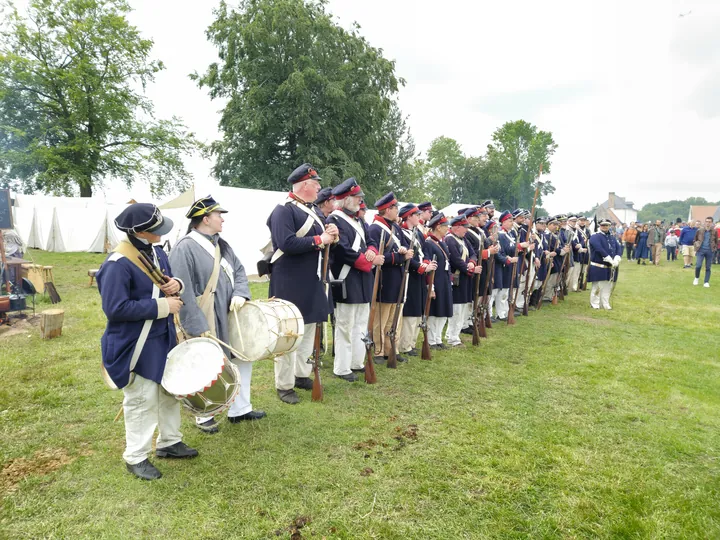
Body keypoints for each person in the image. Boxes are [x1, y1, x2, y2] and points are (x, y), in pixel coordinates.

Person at [97, 203, 198, 481]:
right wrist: (162, 306)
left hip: (163, 337)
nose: (159, 233)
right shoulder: (117, 264)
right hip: (136, 342)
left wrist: (176, 284)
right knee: (141, 399)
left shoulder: (155, 250)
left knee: (169, 391)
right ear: (138, 232)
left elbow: (167, 279)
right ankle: (136, 456)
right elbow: (116, 309)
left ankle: (169, 442)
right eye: (154, 230)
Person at [170, 195, 262, 434]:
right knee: (206, 361)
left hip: (231, 309)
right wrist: (196, 324)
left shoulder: (222, 244)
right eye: (218, 215)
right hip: (205, 312)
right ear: (205, 218)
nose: (222, 219)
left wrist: (240, 292)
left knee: (241, 356)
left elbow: (240, 270)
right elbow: (184, 290)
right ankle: (205, 415)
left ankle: (240, 408)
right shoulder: (185, 247)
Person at [266, 164, 338, 404]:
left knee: (308, 332)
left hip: (311, 280)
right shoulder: (283, 211)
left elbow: (322, 242)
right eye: (315, 183)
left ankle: (301, 374)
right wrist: (321, 238)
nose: (319, 187)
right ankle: (284, 385)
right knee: (289, 334)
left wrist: (331, 235)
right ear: (304, 185)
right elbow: (285, 243)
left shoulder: (313, 211)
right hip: (290, 282)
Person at [327, 178, 384, 379]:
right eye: (357, 197)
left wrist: (371, 250)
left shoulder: (359, 220)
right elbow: (341, 250)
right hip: (346, 278)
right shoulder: (333, 220)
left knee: (360, 322)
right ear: (346, 199)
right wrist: (368, 261)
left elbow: (371, 240)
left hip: (363, 279)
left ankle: (356, 362)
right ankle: (342, 368)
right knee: (344, 325)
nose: (360, 200)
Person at [368, 192, 412, 364]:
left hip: (397, 277)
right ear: (387, 209)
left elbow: (405, 248)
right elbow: (378, 256)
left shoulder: (396, 228)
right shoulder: (375, 228)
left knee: (395, 317)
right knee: (381, 317)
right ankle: (378, 350)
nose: (398, 211)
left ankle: (390, 348)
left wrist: (405, 253)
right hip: (384, 279)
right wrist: (400, 256)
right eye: (395, 208)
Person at [398, 204, 436, 356]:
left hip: (420, 274)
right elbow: (407, 256)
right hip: (410, 275)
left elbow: (423, 252)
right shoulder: (400, 232)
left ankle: (412, 342)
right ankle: (405, 345)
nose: (419, 217)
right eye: (416, 215)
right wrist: (421, 267)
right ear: (408, 217)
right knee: (410, 311)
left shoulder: (417, 233)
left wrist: (427, 263)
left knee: (418, 310)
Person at [445, 214, 480, 346]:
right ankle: (451, 337)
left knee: (463, 308)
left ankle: (456, 334)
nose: (466, 230)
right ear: (457, 227)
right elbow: (456, 260)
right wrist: (470, 269)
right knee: (457, 309)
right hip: (457, 278)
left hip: (465, 277)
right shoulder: (450, 240)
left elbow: (473, 253)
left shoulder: (463, 239)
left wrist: (472, 262)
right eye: (464, 227)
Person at [424, 213, 453, 349]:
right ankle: (431, 340)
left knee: (443, 312)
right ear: (438, 227)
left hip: (445, 281)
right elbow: (429, 267)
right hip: (437, 281)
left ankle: (437, 338)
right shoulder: (429, 243)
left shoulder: (441, 243)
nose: (447, 229)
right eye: (445, 226)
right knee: (435, 313)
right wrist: (431, 287)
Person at [588, 218, 621, 310]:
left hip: (610, 266)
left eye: (607, 225)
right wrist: (608, 258)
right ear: (600, 226)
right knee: (598, 286)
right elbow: (598, 248)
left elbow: (618, 247)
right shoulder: (595, 236)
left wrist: (617, 257)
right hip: (599, 265)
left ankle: (605, 303)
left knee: (608, 286)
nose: (605, 227)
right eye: (603, 225)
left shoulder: (611, 237)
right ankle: (595, 304)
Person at [492, 211, 520, 321]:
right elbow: (501, 252)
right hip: (504, 265)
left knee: (506, 290)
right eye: (510, 221)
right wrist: (508, 259)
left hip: (510, 264)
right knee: (502, 291)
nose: (512, 223)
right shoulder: (501, 235)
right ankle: (501, 313)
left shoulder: (511, 234)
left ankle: (505, 311)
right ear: (503, 222)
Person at [693, 217, 717, 287]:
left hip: (710, 250)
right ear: (705, 222)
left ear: (712, 223)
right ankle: (696, 278)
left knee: (708, 267)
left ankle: (706, 282)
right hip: (701, 250)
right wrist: (696, 245)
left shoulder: (714, 231)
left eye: (709, 222)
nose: (708, 223)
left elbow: (716, 241)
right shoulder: (700, 230)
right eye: (707, 221)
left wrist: (714, 248)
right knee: (698, 265)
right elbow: (695, 239)